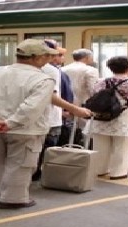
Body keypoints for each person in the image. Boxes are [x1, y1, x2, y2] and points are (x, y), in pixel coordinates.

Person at [0, 39, 91, 209]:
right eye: (47, 56)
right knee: (21, 165)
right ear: (36, 57)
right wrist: (10, 123)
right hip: (26, 130)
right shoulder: (42, 80)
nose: (49, 59)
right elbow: (32, 108)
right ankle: (13, 198)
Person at [88, 56, 128, 180]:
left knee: (100, 145)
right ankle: (118, 173)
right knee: (122, 146)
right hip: (122, 117)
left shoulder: (100, 81)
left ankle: (100, 170)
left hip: (101, 116)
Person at [31, 39, 73, 181]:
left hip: (30, 118)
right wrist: (69, 109)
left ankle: (33, 172)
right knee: (48, 146)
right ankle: (40, 173)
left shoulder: (14, 69)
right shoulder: (52, 70)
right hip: (50, 117)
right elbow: (54, 95)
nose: (58, 57)